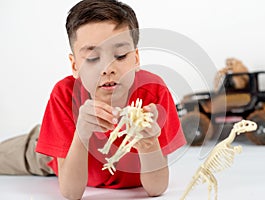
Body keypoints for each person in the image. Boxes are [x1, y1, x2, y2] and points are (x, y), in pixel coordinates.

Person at [0, 0, 186, 199]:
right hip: (55, 152)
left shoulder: (154, 94)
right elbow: (71, 193)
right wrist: (81, 135)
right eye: (92, 58)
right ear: (75, 66)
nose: (107, 69)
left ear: (136, 58)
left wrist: (149, 144)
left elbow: (156, 189)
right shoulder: (64, 95)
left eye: (121, 55)